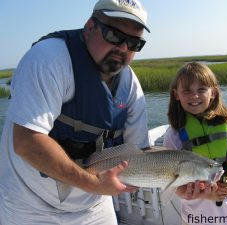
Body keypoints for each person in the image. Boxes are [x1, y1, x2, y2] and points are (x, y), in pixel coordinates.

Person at [0, 0, 151, 224]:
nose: (123, 48)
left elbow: (140, 156)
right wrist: (95, 184)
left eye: (134, 43)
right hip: (28, 205)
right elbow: (26, 142)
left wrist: (179, 183)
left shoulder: (129, 86)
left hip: (93, 205)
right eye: (114, 36)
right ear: (90, 27)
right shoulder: (48, 59)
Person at [163, 62, 227, 225]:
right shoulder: (173, 136)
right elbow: (175, 187)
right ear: (176, 95)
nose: (195, 96)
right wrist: (206, 194)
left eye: (201, 89)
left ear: (213, 92)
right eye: (187, 90)